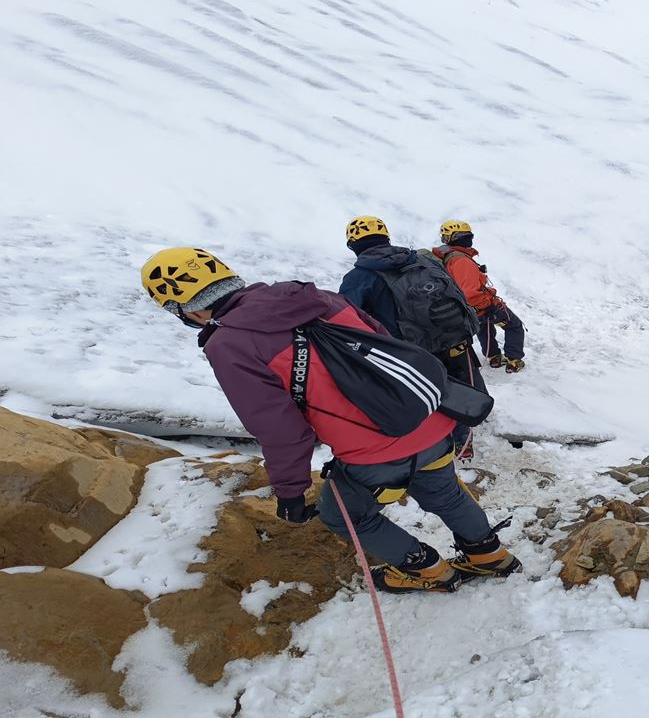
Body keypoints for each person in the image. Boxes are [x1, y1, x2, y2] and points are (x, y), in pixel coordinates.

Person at [139, 247, 520, 594]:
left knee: (346, 516)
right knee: (445, 492)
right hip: (429, 421)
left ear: (185, 309)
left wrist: (290, 492)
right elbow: (386, 343)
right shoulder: (314, 297)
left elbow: (279, 428)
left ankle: (429, 570)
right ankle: (489, 557)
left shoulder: (229, 343)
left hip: (371, 453)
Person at [338, 215, 486, 461]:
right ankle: (464, 446)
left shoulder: (358, 278)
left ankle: (433, 448)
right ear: (386, 237)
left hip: (411, 352)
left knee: (424, 397)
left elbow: (347, 319)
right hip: (451, 339)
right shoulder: (422, 260)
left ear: (353, 245)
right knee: (460, 391)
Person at [432, 220, 526, 374]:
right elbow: (470, 292)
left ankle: (494, 357)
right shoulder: (462, 261)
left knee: (484, 327)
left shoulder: (448, 257)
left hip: (469, 309)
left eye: (468, 234)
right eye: (463, 235)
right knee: (514, 325)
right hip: (480, 306)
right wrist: (488, 305)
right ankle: (514, 360)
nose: (467, 238)